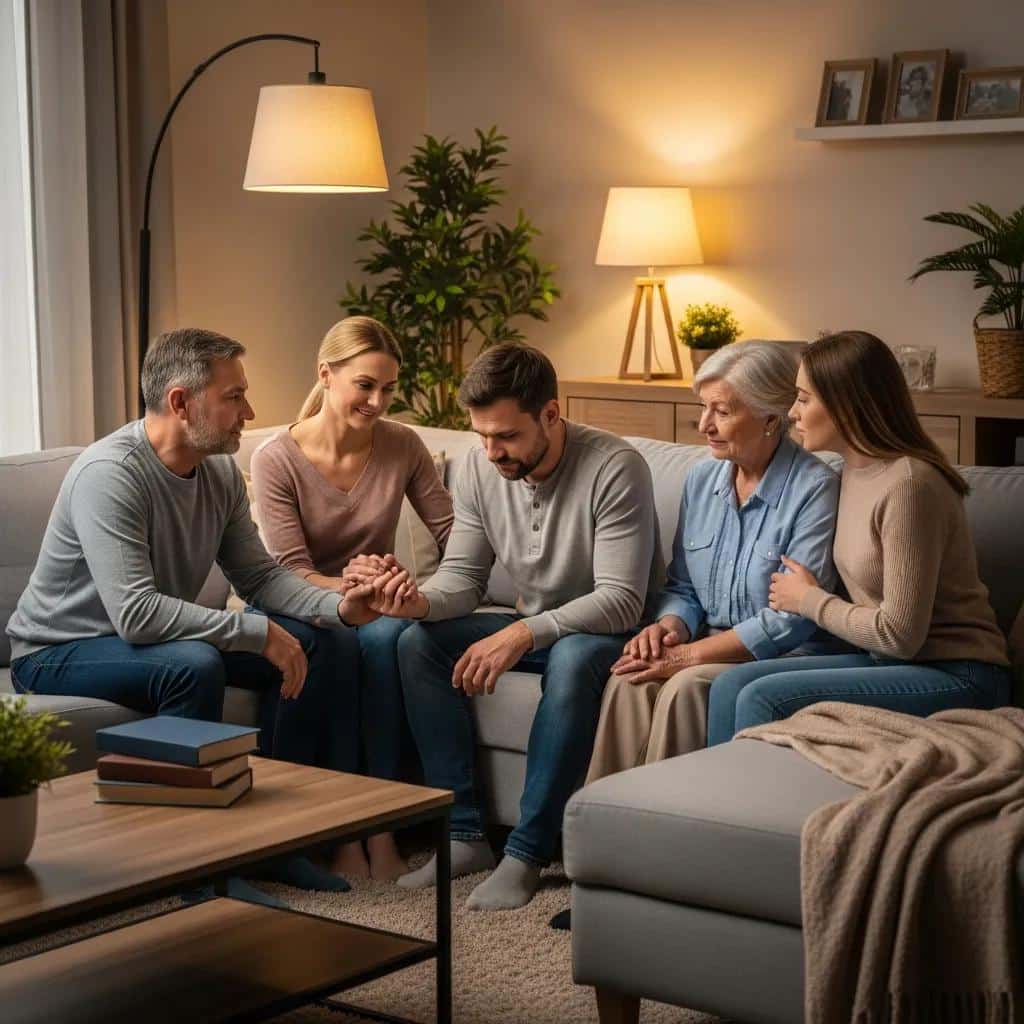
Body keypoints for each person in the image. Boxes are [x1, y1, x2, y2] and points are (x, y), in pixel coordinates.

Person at [7, 327, 380, 812]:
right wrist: (257, 631)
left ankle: (286, 836)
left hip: (142, 642)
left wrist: (340, 608)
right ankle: (200, 871)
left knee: (324, 641)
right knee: (192, 666)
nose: (249, 413)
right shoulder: (110, 474)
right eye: (234, 397)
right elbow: (136, 615)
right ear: (181, 402)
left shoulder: (219, 470)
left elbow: (260, 577)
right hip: (56, 651)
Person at [343, 342, 660, 910]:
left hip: (604, 631)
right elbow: (462, 577)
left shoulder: (615, 466)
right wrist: (413, 602)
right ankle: (465, 835)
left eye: (507, 436)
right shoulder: (477, 467)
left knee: (570, 658)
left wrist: (520, 633)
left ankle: (527, 853)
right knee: (417, 644)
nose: (492, 452)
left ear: (550, 415)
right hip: (530, 620)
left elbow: (620, 600)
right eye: (483, 436)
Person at [707, 331, 1012, 743]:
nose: (793, 412)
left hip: (958, 672)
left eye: (803, 398)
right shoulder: (847, 473)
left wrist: (808, 600)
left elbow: (900, 636)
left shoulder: (909, 485)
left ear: (845, 404)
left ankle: (740, 807)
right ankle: (711, 805)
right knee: (729, 685)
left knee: (761, 696)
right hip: (889, 661)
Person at [250, 316, 453, 880]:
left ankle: (382, 825)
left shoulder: (403, 444)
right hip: (299, 600)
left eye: (388, 388)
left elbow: (453, 535)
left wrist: (408, 589)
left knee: (393, 637)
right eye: (365, 385)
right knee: (337, 644)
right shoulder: (276, 459)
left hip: (376, 606)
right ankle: (342, 832)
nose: (377, 400)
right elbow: (290, 570)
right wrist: (356, 587)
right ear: (327, 375)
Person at [585, 342, 841, 783]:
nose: (705, 425)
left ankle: (669, 836)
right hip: (706, 641)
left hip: (782, 655)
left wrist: (689, 656)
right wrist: (669, 629)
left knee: (686, 686)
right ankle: (605, 831)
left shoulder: (816, 488)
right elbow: (683, 585)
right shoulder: (702, 479)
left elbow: (790, 621)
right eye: (703, 409)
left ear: (771, 419)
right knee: (629, 680)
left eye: (721, 412)